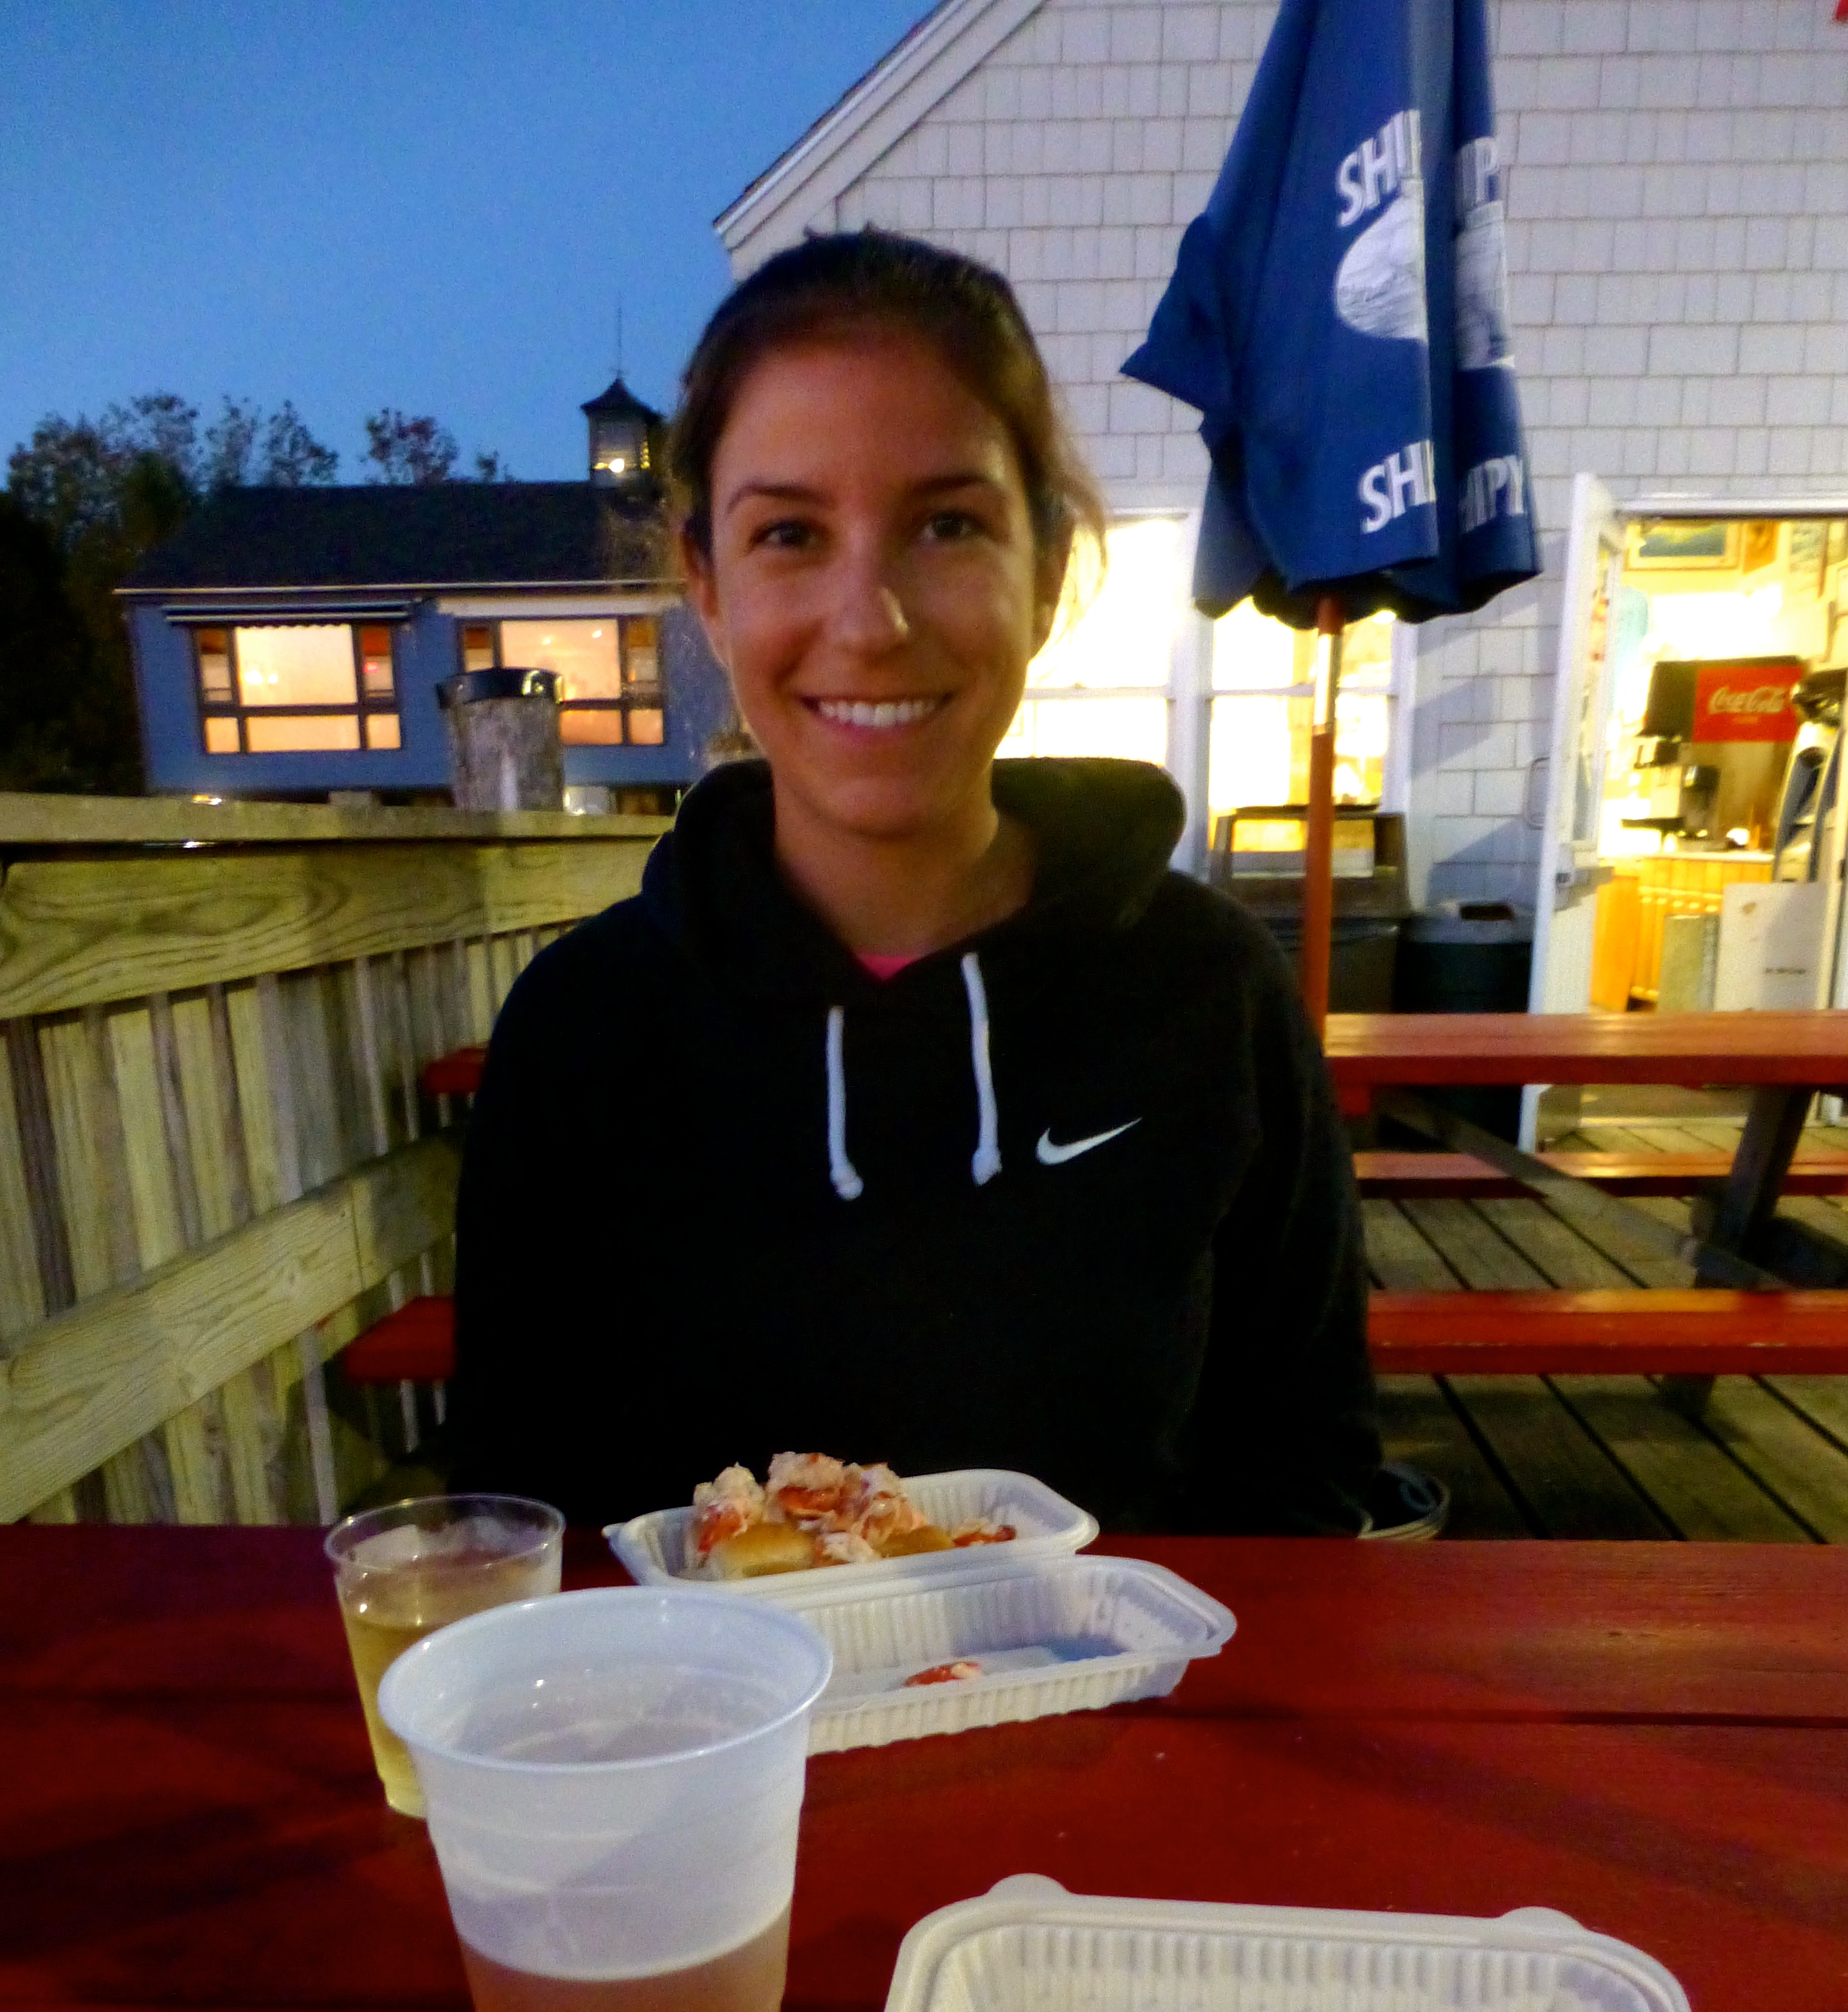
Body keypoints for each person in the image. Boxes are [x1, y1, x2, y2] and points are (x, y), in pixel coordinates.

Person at [451, 230, 1384, 1536]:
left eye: (948, 525)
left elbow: (1309, 1470)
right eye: (789, 533)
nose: (870, 620)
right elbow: (516, 1516)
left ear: (1047, 572)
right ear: (707, 589)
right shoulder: (581, 1030)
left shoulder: (1210, 989)